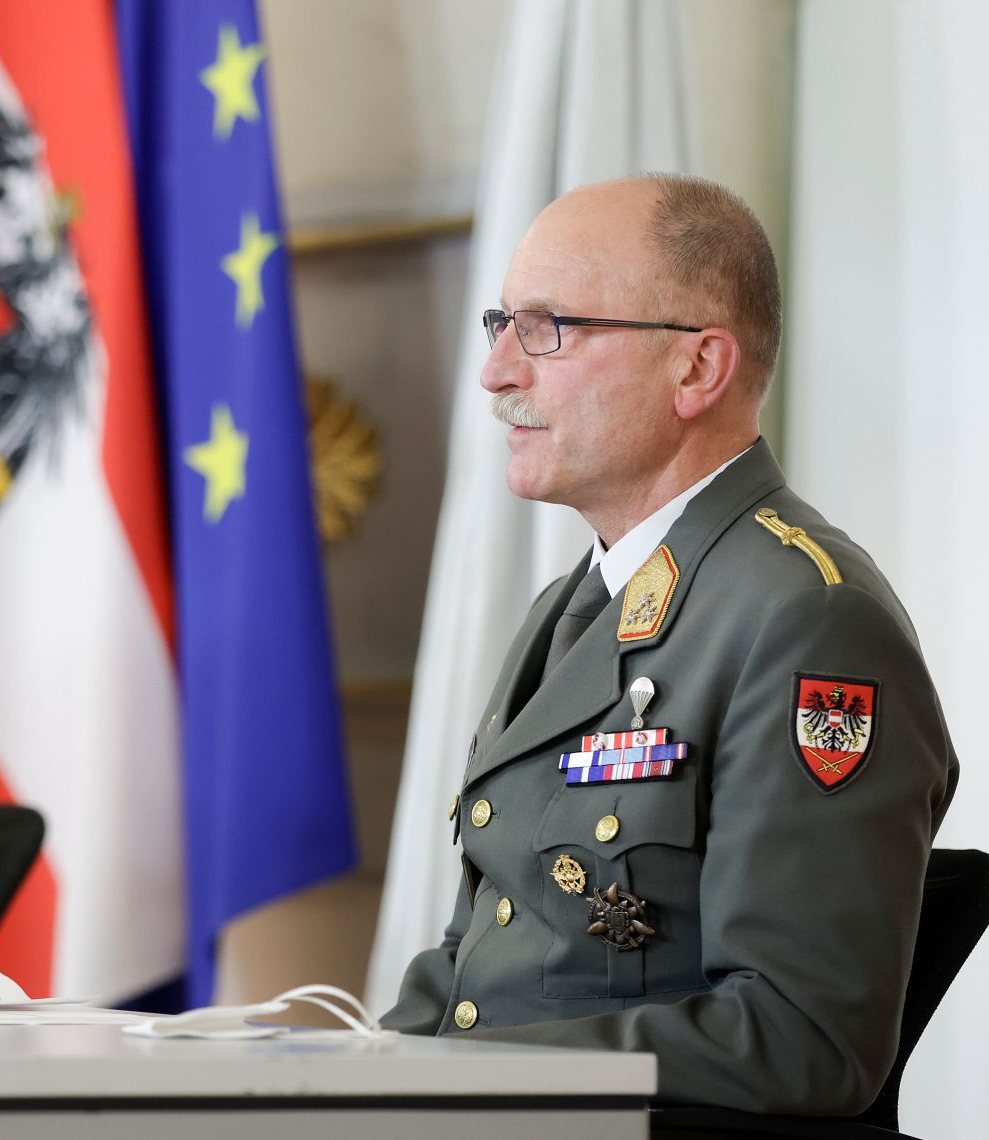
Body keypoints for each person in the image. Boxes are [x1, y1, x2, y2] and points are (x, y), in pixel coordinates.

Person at [380, 175, 959, 1116]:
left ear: (697, 369)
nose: (496, 371)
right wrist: (320, 1085)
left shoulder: (807, 620)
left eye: (549, 327)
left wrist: (455, 1085)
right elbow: (473, 968)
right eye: (501, 323)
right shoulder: (566, 610)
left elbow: (800, 1039)